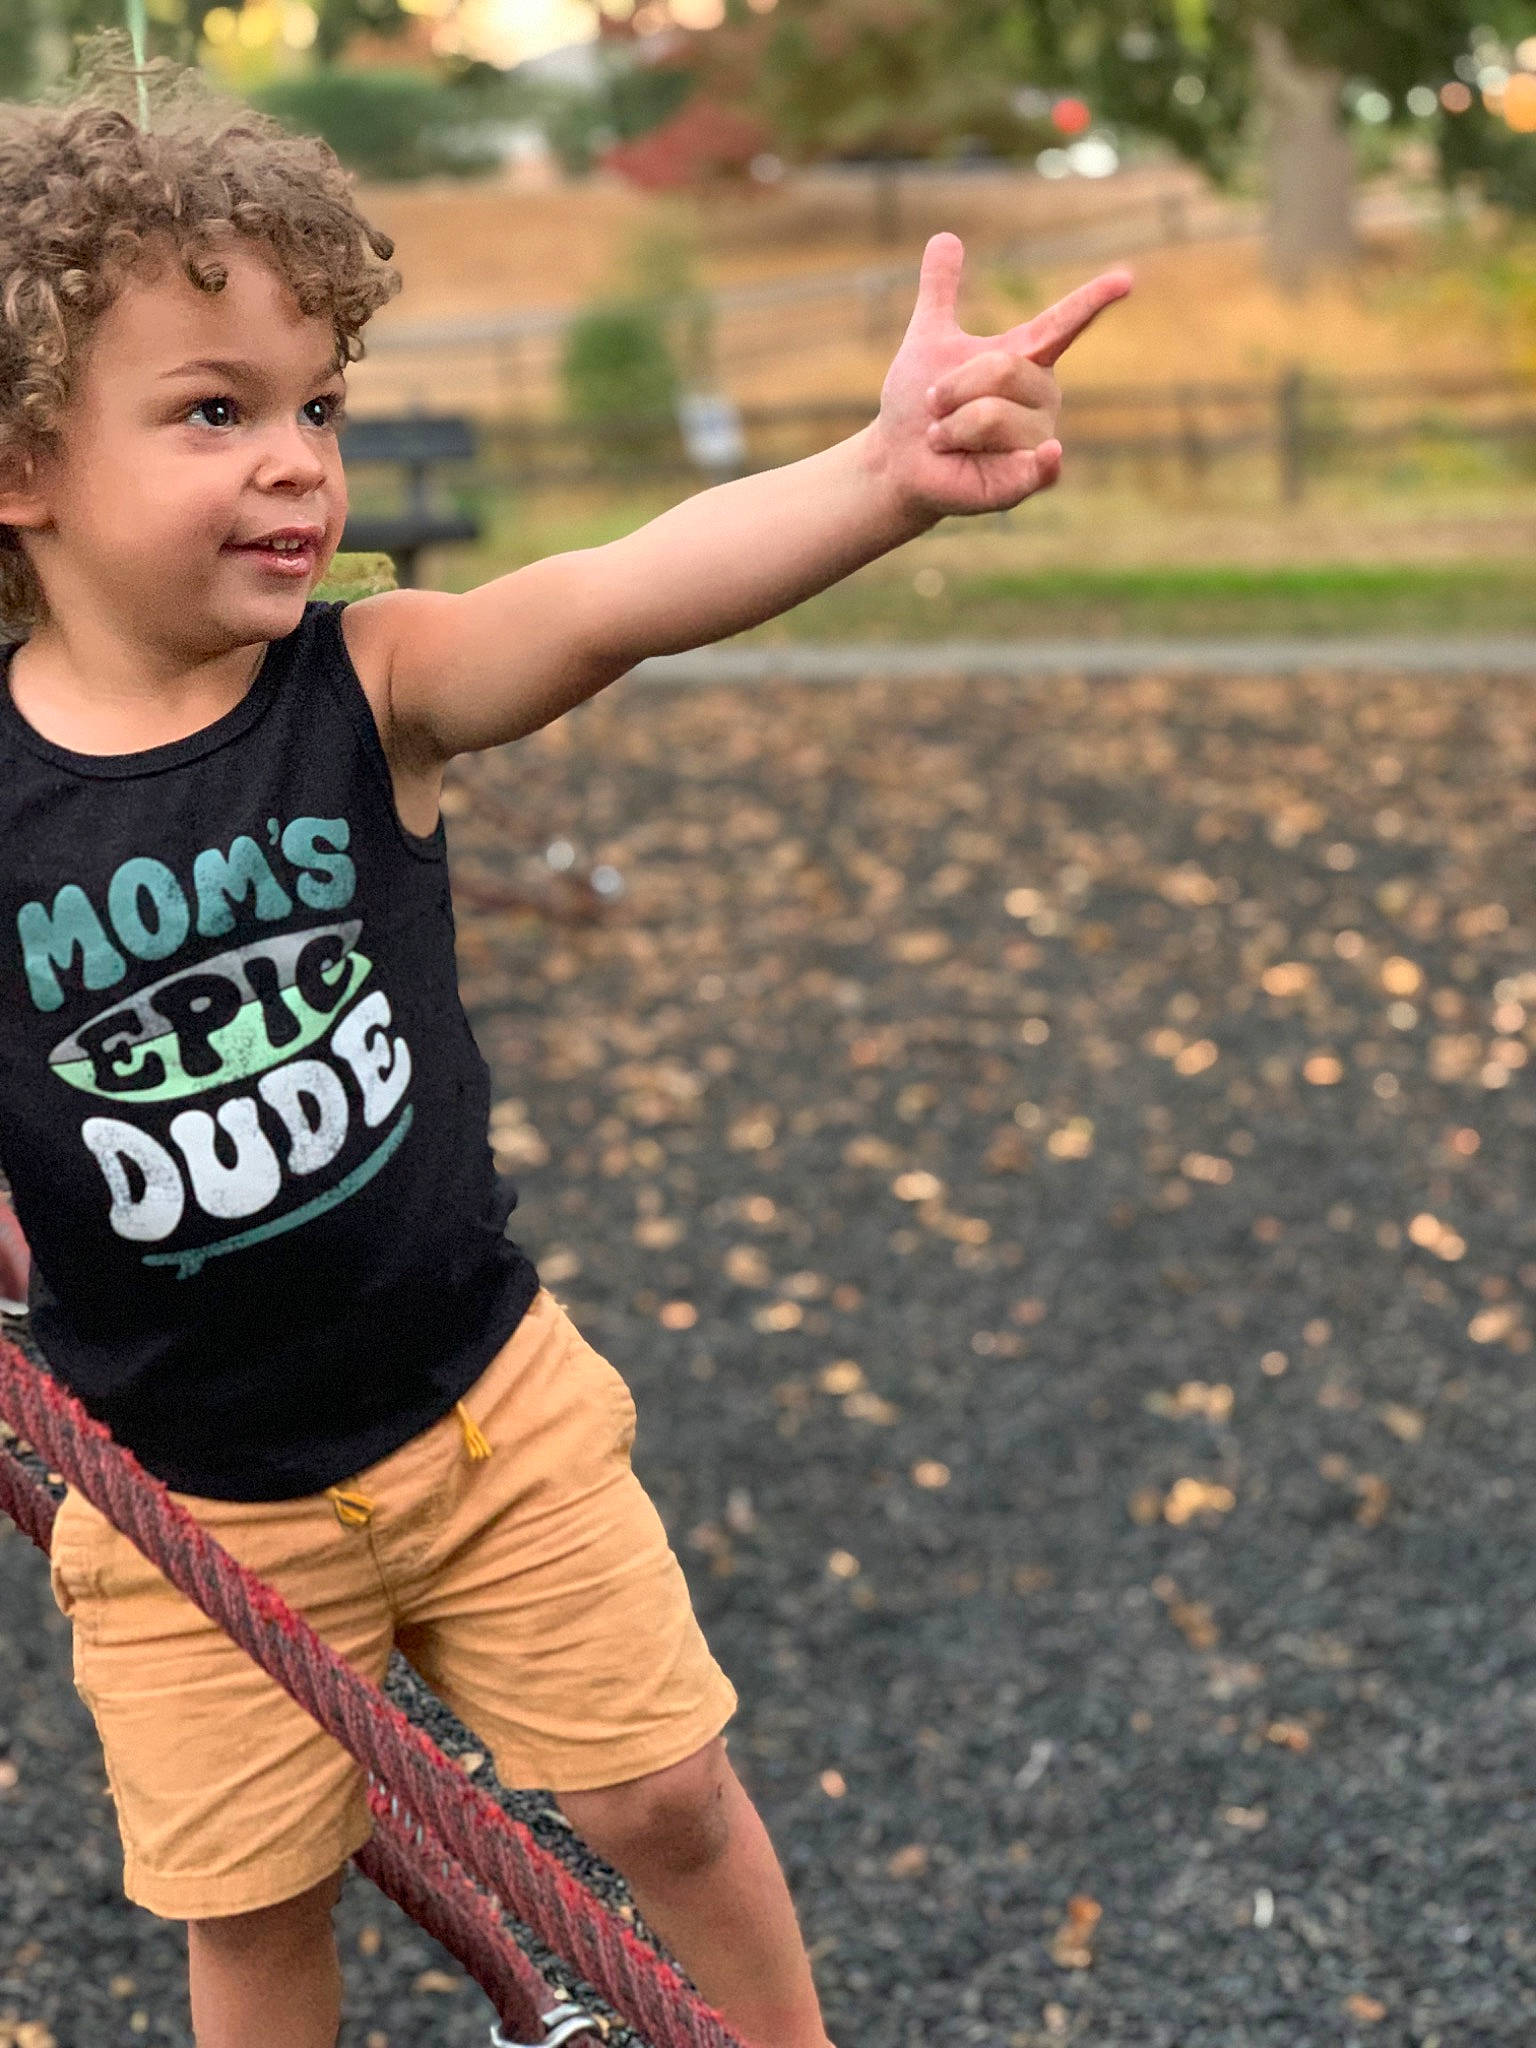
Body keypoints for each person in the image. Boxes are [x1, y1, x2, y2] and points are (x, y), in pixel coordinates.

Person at [0, 49, 1129, 2048]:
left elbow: (617, 597)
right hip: (193, 1498)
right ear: (22, 465)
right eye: (214, 410)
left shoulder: (372, 681)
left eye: (316, 407)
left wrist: (878, 481)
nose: (298, 462)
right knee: (255, 1918)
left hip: (481, 1409)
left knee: (663, 1794)